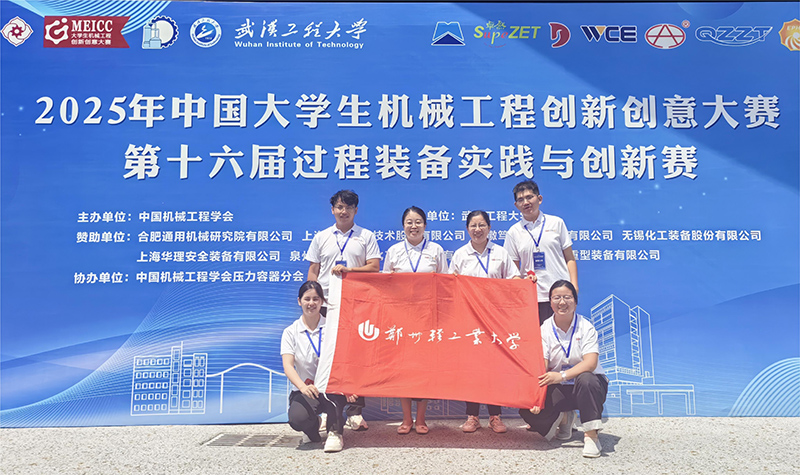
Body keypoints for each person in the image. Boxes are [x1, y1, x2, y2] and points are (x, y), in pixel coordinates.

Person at [306, 189, 380, 431]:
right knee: (325, 357)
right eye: (339, 207)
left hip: (356, 304)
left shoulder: (366, 236)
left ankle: (355, 411)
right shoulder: (322, 237)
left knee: (357, 357)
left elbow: (374, 267)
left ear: (356, 210)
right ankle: (326, 409)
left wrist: (350, 271)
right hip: (327, 306)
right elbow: (314, 271)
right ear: (332, 210)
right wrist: (314, 299)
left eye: (348, 207)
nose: (343, 211)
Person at [449, 210, 521, 434]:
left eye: (482, 225)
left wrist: (524, 281)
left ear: (489, 228)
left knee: (494, 368)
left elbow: (514, 278)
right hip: (469, 320)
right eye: (473, 225)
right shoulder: (460, 255)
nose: (477, 229)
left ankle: (495, 416)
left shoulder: (500, 253)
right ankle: (472, 416)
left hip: (495, 320)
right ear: (467, 229)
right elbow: (450, 285)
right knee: (471, 368)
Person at [519, 280, 608, 458]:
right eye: (557, 298)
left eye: (567, 297)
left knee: (586, 378)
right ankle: (565, 418)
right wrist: (535, 395)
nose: (562, 302)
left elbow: (590, 363)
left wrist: (561, 376)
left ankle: (591, 436)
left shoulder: (586, 327)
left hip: (589, 387)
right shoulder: (544, 329)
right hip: (561, 388)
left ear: (575, 301)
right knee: (527, 408)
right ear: (550, 302)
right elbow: (542, 364)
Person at [383, 206, 448, 435]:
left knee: (423, 369)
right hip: (400, 319)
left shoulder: (436, 250)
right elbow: (385, 286)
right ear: (403, 226)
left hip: (427, 319)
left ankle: (421, 419)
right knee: (403, 369)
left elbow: (445, 284)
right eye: (409, 222)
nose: (414, 226)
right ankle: (406, 419)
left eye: (418, 221)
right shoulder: (394, 251)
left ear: (425, 225)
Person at [281, 281, 360, 452]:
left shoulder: (334, 328)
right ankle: (313, 427)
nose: (311, 303)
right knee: (297, 418)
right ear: (299, 301)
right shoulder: (290, 332)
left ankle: (335, 432)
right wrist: (303, 387)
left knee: (335, 399)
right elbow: (288, 366)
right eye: (307, 299)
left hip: (332, 387)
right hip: (307, 389)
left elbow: (345, 361)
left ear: (322, 301)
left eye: (316, 299)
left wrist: (348, 386)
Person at [503, 180, 578, 324]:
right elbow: (512, 270)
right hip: (531, 296)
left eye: (529, 197)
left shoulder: (556, 223)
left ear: (539, 199)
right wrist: (521, 284)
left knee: (562, 334)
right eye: (521, 200)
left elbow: (570, 258)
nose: (526, 202)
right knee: (535, 336)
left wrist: (574, 286)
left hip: (560, 294)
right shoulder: (513, 232)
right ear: (516, 205)